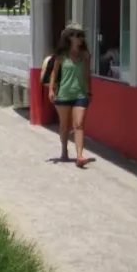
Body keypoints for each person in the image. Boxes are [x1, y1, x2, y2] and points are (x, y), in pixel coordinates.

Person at [48, 24, 92, 168]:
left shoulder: (85, 55)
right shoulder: (61, 55)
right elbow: (54, 73)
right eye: (77, 35)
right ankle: (64, 150)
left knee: (78, 124)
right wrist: (51, 90)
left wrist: (89, 91)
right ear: (69, 37)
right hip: (63, 95)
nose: (80, 38)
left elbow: (87, 75)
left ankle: (80, 156)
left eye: (81, 35)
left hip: (80, 94)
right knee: (64, 126)